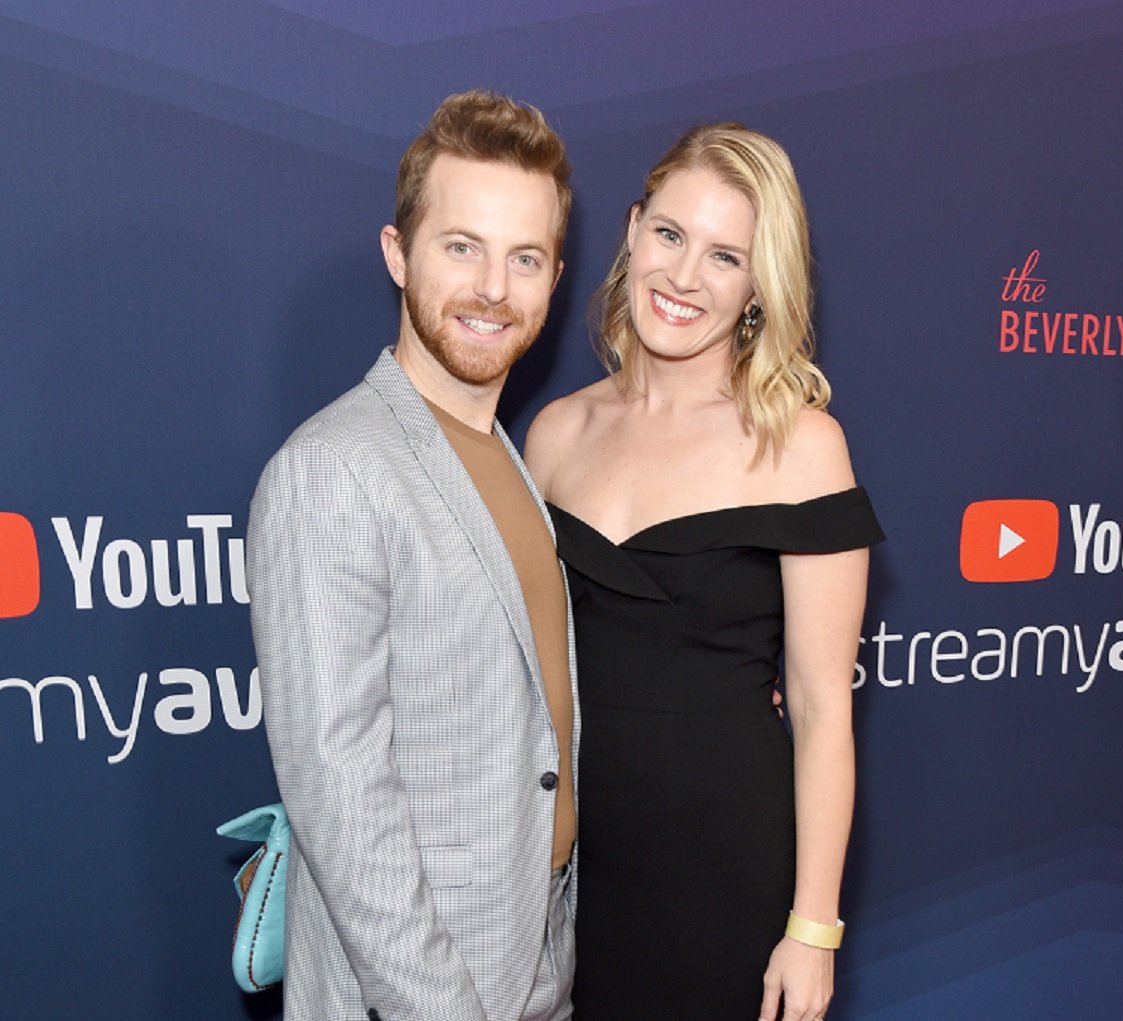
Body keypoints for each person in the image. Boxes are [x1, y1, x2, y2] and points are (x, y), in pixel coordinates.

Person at [525, 123, 883, 1021]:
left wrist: (813, 929)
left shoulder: (801, 447)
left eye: (726, 256)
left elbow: (819, 709)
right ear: (634, 229)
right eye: (671, 235)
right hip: (569, 877)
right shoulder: (555, 434)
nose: (684, 277)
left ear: (759, 285)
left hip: (726, 875)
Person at [247, 91, 577, 1021]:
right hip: (421, 991)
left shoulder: (512, 458)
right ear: (399, 254)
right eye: (460, 246)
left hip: (539, 952)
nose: (491, 289)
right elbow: (339, 793)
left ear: (554, 277)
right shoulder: (333, 469)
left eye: (524, 258)